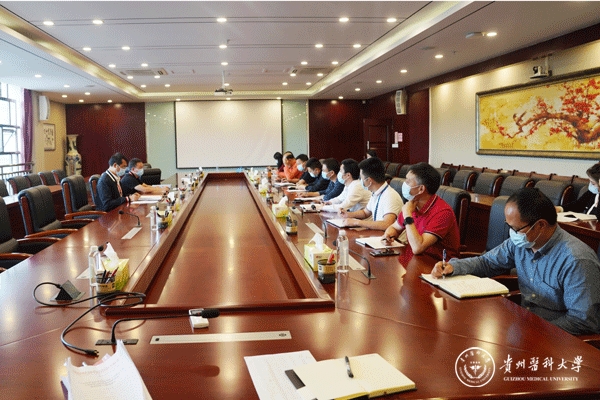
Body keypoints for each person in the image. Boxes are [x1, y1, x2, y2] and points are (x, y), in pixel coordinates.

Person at [431, 187, 600, 335]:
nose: (512, 233)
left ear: (540, 225)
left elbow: (582, 321)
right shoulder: (521, 242)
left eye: (515, 228)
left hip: (555, 339)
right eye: (509, 226)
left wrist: (534, 332)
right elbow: (487, 262)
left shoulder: (576, 260)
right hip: (523, 325)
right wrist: (453, 267)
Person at [383, 162, 460, 260]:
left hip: (438, 264)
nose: (404, 184)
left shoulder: (443, 213)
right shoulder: (412, 204)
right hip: (415, 260)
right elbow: (395, 228)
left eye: (408, 181)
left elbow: (418, 248)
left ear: (421, 189)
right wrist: (389, 234)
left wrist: (407, 215)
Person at [340, 157, 403, 230]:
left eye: (361, 178)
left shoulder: (390, 196)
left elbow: (387, 224)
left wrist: (356, 222)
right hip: (377, 233)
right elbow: (365, 212)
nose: (361, 181)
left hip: (388, 236)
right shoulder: (375, 192)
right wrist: (348, 214)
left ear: (369, 180)